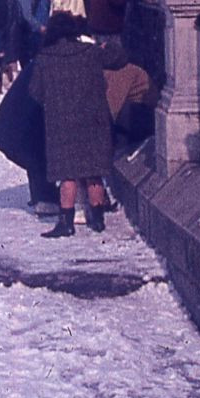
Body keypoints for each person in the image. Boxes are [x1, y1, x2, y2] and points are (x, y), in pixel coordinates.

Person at [29, 12, 125, 238]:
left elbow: (35, 91)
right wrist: (98, 44)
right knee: (94, 172)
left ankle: (66, 223)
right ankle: (98, 219)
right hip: (94, 120)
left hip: (61, 123)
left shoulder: (45, 58)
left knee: (68, 174)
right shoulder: (90, 53)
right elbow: (119, 58)